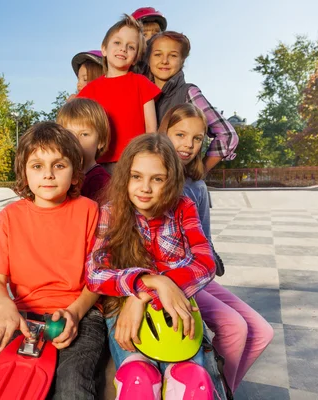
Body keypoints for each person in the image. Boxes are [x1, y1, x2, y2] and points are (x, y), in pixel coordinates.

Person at [0, 122, 106, 400]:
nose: (48, 175)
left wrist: (74, 313)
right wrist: (5, 308)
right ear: (24, 173)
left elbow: (98, 280)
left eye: (59, 166)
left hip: (79, 312)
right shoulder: (10, 217)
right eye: (37, 166)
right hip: (23, 310)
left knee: (72, 386)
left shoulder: (89, 210)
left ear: (74, 174)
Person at [85, 133, 216, 399]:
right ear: (125, 177)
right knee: (138, 379)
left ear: (171, 180)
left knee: (193, 382)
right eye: (136, 177)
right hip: (124, 312)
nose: (145, 188)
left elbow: (205, 263)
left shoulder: (183, 207)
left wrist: (144, 294)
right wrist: (154, 281)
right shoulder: (111, 212)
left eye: (157, 179)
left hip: (176, 310)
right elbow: (94, 274)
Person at [160, 103, 274, 393]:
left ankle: (224, 392)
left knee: (262, 332)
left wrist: (212, 262)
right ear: (164, 133)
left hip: (199, 275)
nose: (188, 145)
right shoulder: (153, 180)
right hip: (169, 277)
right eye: (180, 135)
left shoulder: (196, 184)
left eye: (197, 138)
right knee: (234, 327)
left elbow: (205, 239)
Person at [146, 31, 238, 173]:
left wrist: (200, 171)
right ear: (148, 58)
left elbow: (227, 134)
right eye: (158, 54)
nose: (164, 60)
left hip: (178, 182)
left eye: (173, 55)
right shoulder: (140, 92)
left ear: (182, 61)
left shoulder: (188, 93)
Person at [78, 14, 161, 170]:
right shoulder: (89, 90)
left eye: (131, 46)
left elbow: (151, 129)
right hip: (96, 164)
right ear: (104, 49)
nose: (123, 48)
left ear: (136, 57)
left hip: (133, 161)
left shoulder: (142, 83)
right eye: (117, 42)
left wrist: (149, 159)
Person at [57, 98, 111, 202]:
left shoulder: (101, 182)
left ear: (101, 141)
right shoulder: (61, 174)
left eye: (84, 134)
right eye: (70, 134)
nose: (76, 140)